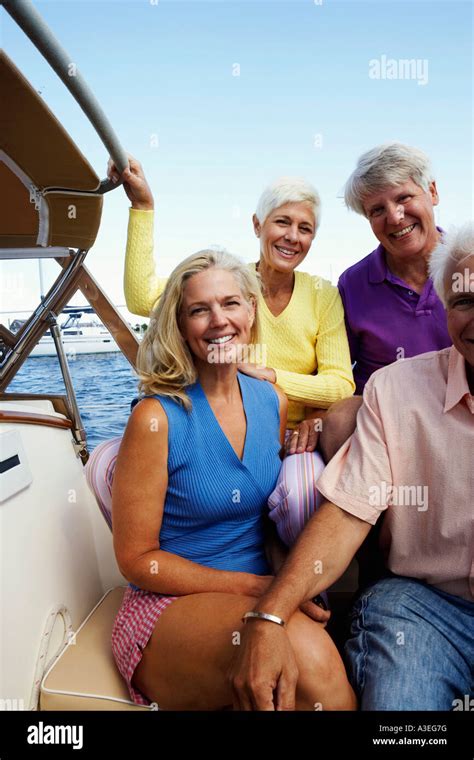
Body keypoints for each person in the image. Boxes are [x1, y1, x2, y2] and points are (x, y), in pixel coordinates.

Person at [227, 222, 474, 711]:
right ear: (446, 309)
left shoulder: (319, 298)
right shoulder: (395, 389)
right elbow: (348, 511)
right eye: (466, 301)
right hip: (423, 605)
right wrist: (270, 616)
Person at [110, 248, 356, 711]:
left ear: (251, 310)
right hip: (168, 604)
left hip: (262, 587)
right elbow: (138, 561)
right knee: (312, 660)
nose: (219, 320)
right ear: (181, 326)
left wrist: (286, 581)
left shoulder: (272, 401)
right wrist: (257, 589)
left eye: (230, 304)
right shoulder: (155, 418)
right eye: (199, 310)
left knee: (311, 666)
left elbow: (262, 519)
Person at [108, 157, 354, 458]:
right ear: (257, 225)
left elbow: (340, 386)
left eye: (305, 229)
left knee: (300, 492)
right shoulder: (227, 283)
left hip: (294, 438)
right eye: (282, 222)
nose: (292, 236)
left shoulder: (323, 295)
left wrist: (269, 375)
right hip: (224, 422)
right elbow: (141, 298)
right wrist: (143, 207)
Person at [320, 142, 452, 462]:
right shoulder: (352, 284)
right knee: (338, 419)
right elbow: (338, 372)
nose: (395, 217)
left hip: (459, 413)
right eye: (377, 210)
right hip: (385, 424)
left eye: (404, 197)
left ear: (432, 192)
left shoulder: (465, 264)